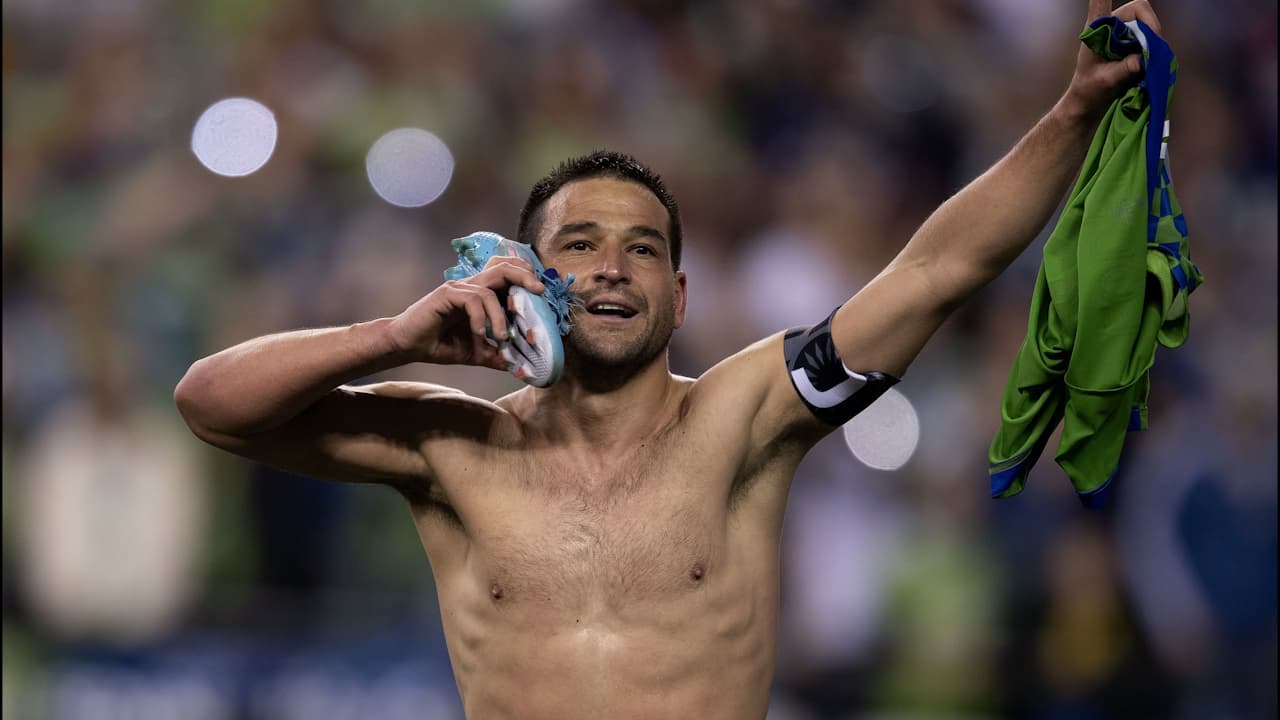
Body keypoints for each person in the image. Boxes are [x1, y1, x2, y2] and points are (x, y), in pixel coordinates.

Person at [175, 2, 1161, 716]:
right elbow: (210, 405)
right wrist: (394, 337)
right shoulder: (449, 445)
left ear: (679, 297)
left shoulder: (745, 418)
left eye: (642, 249)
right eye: (580, 245)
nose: (612, 267)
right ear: (529, 278)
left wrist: (1074, 109)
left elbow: (938, 268)